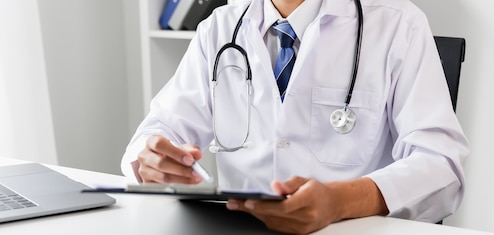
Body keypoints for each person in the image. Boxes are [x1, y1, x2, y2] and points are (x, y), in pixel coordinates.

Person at [121, 0, 469, 233]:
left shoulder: (398, 24)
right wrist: (151, 159)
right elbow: (160, 128)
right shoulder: (220, 26)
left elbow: (441, 166)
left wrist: (339, 202)